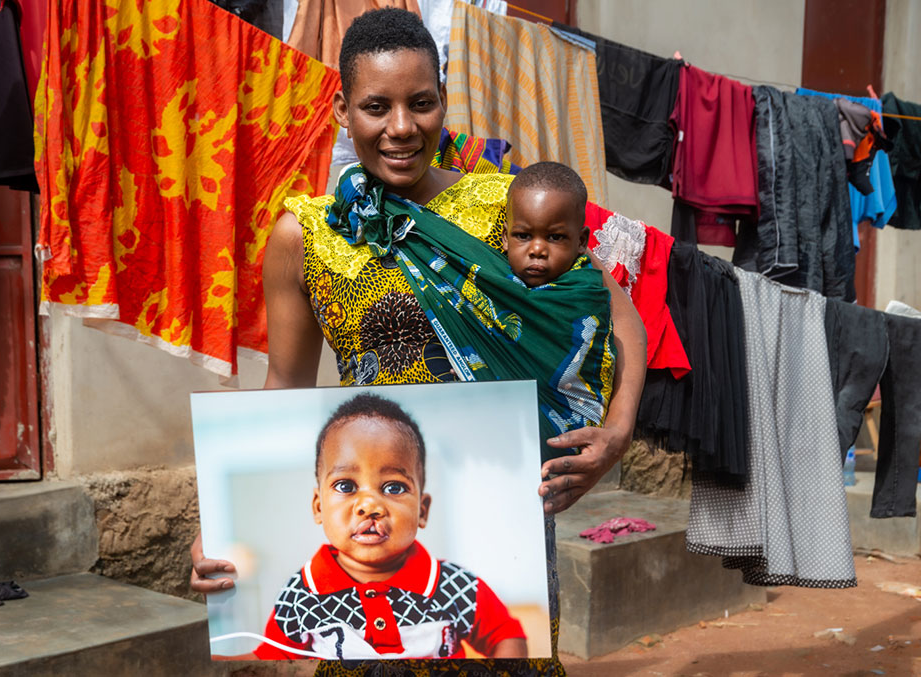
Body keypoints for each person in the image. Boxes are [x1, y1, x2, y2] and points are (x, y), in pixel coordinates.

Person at [192, 8, 647, 675]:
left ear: (443, 101)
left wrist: (617, 431)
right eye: (377, 106)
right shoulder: (305, 238)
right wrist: (225, 526)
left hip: (500, 526)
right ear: (342, 109)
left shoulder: (503, 207)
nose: (402, 128)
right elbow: (285, 389)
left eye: (422, 103)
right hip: (366, 561)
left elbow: (612, 304)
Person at [254, 393, 528, 660]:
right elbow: (267, 662)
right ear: (318, 507)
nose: (370, 506)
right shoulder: (301, 595)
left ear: (422, 510)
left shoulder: (454, 585)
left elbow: (506, 636)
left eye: (393, 487)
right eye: (346, 486)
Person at [503, 161, 591, 288]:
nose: (537, 250)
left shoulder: (587, 293)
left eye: (555, 237)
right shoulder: (487, 279)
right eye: (523, 236)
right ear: (505, 237)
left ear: (581, 241)